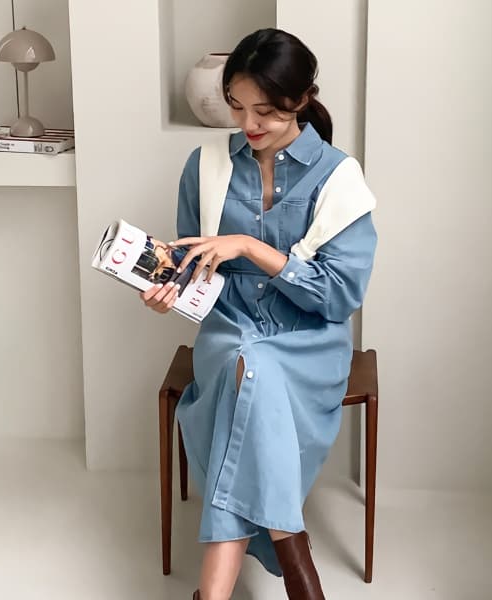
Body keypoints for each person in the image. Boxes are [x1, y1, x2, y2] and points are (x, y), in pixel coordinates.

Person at [140, 28, 378, 600]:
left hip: (308, 341)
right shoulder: (205, 166)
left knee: (254, 375)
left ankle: (212, 594)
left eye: (266, 111)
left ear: (303, 99)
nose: (248, 123)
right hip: (229, 331)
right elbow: (196, 267)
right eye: (237, 106)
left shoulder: (339, 177)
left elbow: (340, 296)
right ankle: (295, 564)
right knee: (246, 364)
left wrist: (251, 247)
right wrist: (166, 290)